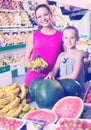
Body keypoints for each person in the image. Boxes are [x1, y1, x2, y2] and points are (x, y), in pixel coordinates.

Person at [24, 4, 63, 86]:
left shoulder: (61, 35)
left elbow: (63, 56)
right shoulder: (33, 36)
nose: (43, 19)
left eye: (46, 14)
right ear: (36, 19)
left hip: (52, 78)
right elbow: (26, 58)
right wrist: (32, 67)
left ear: (51, 15)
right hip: (33, 79)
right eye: (39, 17)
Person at [45, 26, 86, 94]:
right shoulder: (61, 55)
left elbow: (74, 75)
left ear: (77, 39)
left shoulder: (79, 54)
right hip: (63, 90)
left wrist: (58, 79)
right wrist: (51, 74)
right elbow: (55, 69)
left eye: (72, 38)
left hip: (77, 90)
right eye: (66, 38)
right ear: (63, 39)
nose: (68, 41)